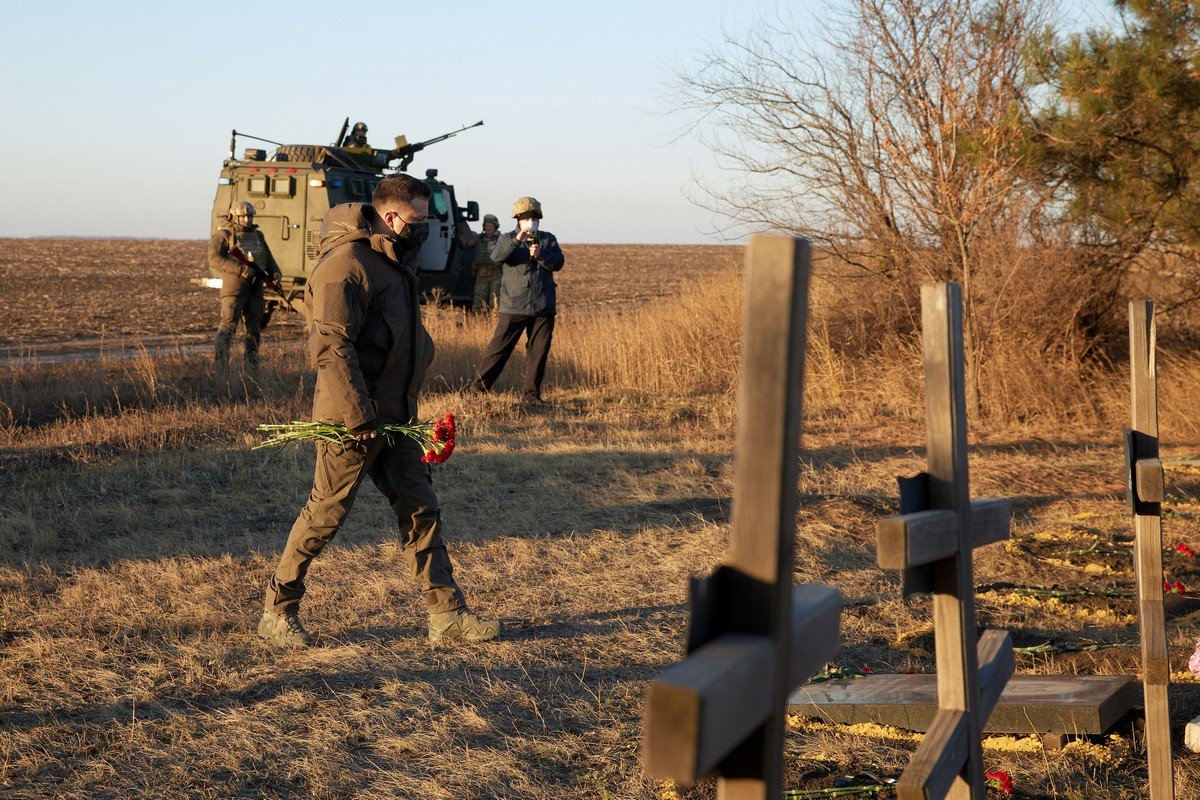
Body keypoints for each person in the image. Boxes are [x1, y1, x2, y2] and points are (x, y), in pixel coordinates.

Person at [258, 173, 500, 649]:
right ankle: (277, 611)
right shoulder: (345, 265)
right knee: (325, 515)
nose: (425, 227)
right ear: (390, 217)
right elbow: (331, 348)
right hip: (354, 422)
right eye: (418, 218)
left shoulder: (394, 261)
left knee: (420, 509)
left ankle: (447, 615)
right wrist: (359, 417)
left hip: (397, 417)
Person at [470, 197, 565, 405]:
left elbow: (559, 262)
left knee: (538, 352)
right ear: (518, 221)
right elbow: (496, 256)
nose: (531, 222)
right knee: (499, 350)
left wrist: (541, 255)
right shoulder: (506, 239)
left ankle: (531, 396)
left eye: (534, 218)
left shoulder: (548, 239)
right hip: (513, 305)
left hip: (543, 306)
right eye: (526, 218)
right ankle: (477, 390)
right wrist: (517, 241)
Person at [208, 200, 281, 376]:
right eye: (242, 216)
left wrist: (275, 272)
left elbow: (268, 257)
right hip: (234, 290)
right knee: (228, 328)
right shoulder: (224, 235)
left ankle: (252, 369)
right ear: (235, 216)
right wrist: (240, 269)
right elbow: (214, 259)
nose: (247, 219)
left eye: (249, 216)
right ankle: (221, 370)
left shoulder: (258, 235)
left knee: (254, 330)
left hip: (255, 290)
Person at [472, 213, 503, 313]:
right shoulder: (479, 238)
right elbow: (467, 244)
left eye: (490, 225)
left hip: (496, 274)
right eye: (486, 225)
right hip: (481, 274)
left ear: (495, 226)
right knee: (478, 302)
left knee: (495, 302)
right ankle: (478, 323)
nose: (488, 227)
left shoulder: (501, 239)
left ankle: (493, 324)